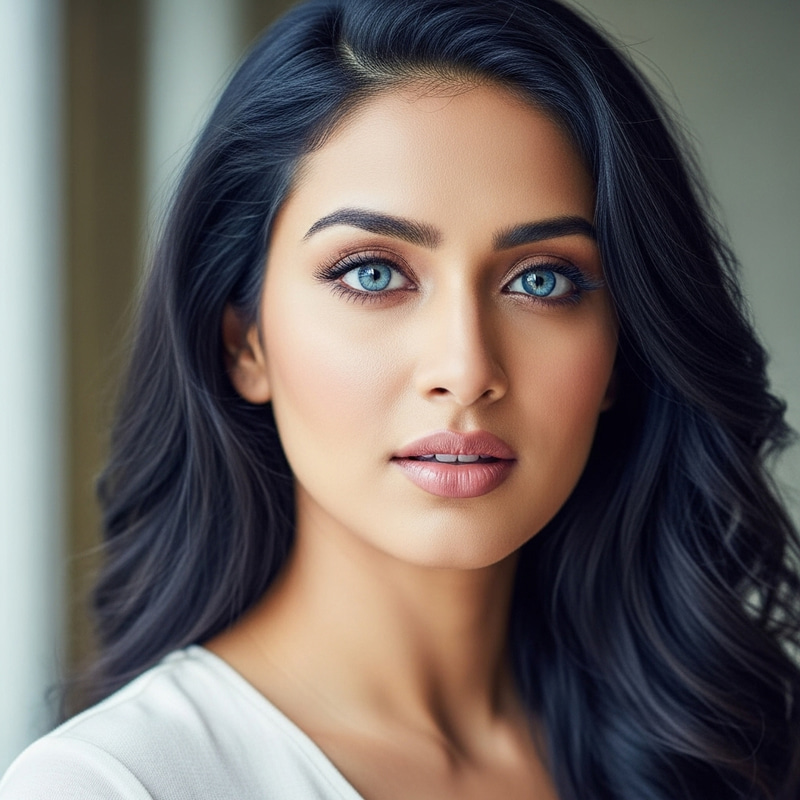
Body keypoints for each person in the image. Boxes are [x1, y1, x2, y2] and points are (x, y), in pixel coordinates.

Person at [2, 0, 799, 798]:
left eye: (542, 280)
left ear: (624, 347)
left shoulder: (726, 747)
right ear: (245, 342)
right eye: (373, 273)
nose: (465, 367)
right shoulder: (119, 783)